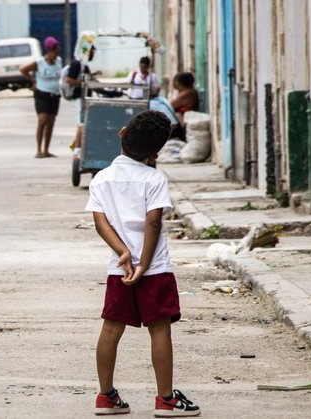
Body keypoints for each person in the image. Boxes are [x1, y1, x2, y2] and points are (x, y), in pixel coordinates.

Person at [86, 110, 201, 417]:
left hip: (118, 270)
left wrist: (123, 253)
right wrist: (143, 264)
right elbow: (153, 224)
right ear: (156, 153)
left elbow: (100, 223)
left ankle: (106, 396)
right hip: (155, 269)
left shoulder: (102, 178)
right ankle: (165, 399)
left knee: (111, 329)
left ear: (122, 133)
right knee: (159, 329)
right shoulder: (154, 178)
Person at [20, 36, 62, 158]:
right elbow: (23, 70)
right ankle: (38, 149)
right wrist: (33, 81)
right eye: (54, 52)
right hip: (42, 93)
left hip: (55, 95)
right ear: (49, 51)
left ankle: (46, 150)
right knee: (42, 120)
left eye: (57, 52)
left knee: (51, 122)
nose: (56, 54)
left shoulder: (58, 61)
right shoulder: (39, 62)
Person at [66, 38, 100, 156]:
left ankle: (76, 144)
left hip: (85, 98)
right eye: (92, 52)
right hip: (79, 98)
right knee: (81, 122)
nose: (93, 55)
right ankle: (77, 149)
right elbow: (69, 80)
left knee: (83, 122)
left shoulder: (84, 65)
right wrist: (83, 84)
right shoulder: (77, 64)